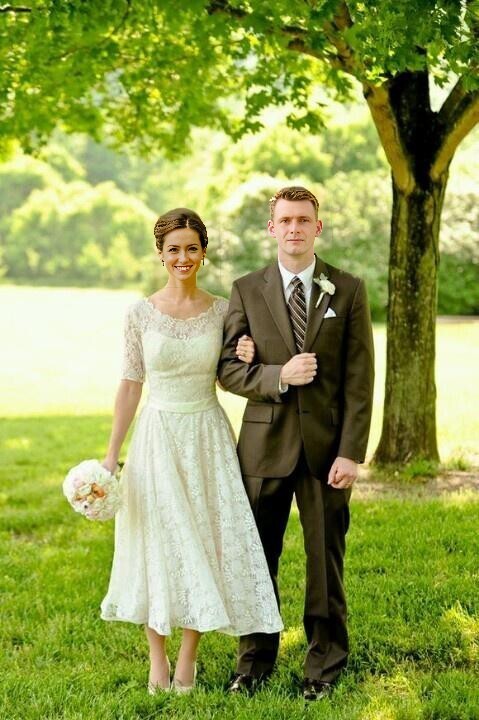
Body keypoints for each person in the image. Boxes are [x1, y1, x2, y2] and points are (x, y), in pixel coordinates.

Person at [100, 208, 283, 695]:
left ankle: (188, 658)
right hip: (157, 436)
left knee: (203, 540)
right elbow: (130, 385)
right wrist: (111, 455)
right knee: (157, 544)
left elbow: (232, 371)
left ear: (203, 253)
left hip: (206, 435)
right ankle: (156, 658)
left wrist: (246, 353)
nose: (183, 257)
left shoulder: (223, 310)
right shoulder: (140, 314)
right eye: (174, 249)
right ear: (160, 255)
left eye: (191, 248)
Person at [218, 186, 374, 701]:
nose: (294, 228)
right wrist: (277, 375)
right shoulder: (246, 289)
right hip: (263, 448)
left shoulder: (348, 289)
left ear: (317, 227)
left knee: (324, 561)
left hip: (326, 451)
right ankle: (252, 663)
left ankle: (324, 665)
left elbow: (359, 379)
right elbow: (228, 370)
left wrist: (350, 451)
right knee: (257, 558)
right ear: (272, 228)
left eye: (303, 220)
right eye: (285, 220)